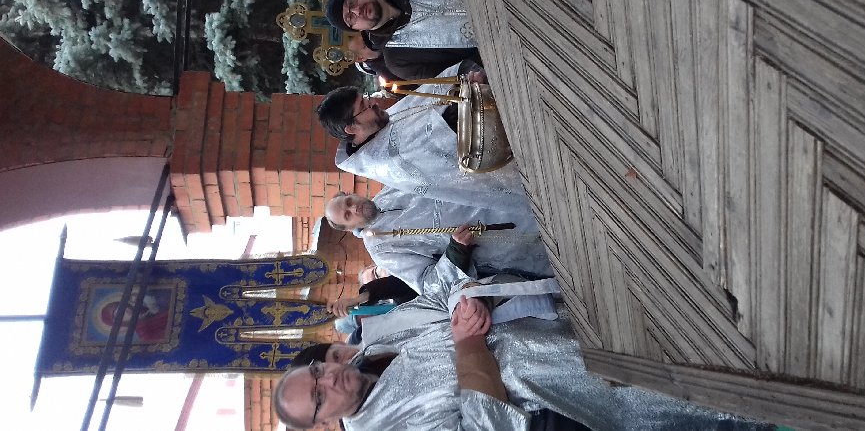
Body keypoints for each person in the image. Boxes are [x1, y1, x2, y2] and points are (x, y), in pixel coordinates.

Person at [272, 254, 770, 431]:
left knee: (681, 334)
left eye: (316, 373)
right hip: (570, 391)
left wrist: (466, 300)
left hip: (553, 331)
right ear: (323, 422)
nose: (328, 379)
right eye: (318, 397)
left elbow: (436, 303)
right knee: (695, 394)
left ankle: (750, 332)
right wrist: (469, 346)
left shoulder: (371, 349)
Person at [315, 63, 529, 214]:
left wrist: (464, 80)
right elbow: (442, 138)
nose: (374, 103)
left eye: (367, 98)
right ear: (351, 128)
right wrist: (470, 94)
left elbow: (427, 101)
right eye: (364, 106)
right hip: (510, 159)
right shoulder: (385, 160)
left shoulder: (378, 125)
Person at [324, 187, 551, 293]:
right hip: (507, 244)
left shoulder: (389, 191)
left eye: (348, 202)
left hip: (506, 196)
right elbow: (427, 284)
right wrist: (456, 251)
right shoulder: (381, 250)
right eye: (347, 215)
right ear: (350, 228)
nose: (354, 208)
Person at [325, 0, 476, 50]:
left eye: (351, 2)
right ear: (356, 29)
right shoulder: (398, 55)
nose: (357, 10)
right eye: (350, 18)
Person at [347, 30, 481, 80]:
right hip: (469, 64)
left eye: (366, 38)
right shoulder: (388, 72)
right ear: (360, 58)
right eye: (365, 46)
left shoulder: (386, 34)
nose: (370, 42)